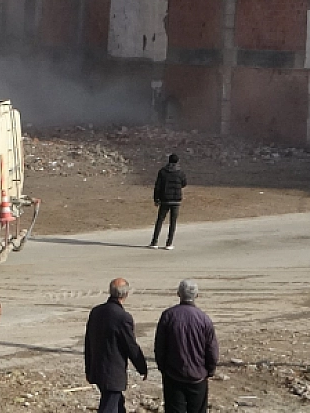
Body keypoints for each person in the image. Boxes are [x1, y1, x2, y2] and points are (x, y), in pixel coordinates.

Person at [85, 278, 148, 413]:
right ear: (126, 294)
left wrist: (88, 367)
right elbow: (130, 345)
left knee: (118, 404)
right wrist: (142, 367)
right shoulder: (122, 317)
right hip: (112, 374)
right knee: (109, 406)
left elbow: (88, 341)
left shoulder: (96, 312)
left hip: (97, 369)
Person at [154, 279, 217, 413]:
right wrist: (210, 370)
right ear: (197, 295)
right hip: (197, 377)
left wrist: (163, 368)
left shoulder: (168, 316)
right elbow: (211, 350)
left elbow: (160, 346)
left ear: (178, 294)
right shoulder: (204, 319)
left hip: (173, 375)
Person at [150, 154, 187, 250]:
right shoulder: (180, 172)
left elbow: (157, 186)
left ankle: (154, 242)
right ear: (177, 161)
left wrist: (156, 199)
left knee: (160, 220)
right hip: (176, 200)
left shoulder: (163, 172)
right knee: (173, 222)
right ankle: (169, 243)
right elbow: (184, 183)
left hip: (165, 199)